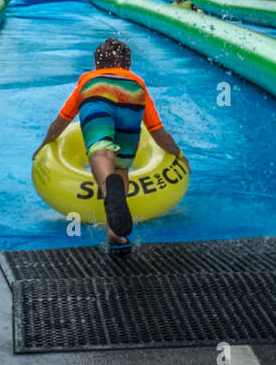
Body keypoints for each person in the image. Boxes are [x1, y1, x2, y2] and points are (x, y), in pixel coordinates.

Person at [33, 38, 189, 252]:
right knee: (121, 166)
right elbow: (157, 132)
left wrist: (44, 143)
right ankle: (115, 233)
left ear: (97, 65)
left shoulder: (88, 79)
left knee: (101, 149)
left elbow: (61, 122)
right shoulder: (137, 81)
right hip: (132, 96)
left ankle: (108, 188)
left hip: (96, 92)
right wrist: (179, 154)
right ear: (128, 65)